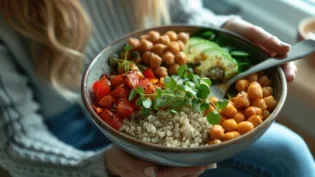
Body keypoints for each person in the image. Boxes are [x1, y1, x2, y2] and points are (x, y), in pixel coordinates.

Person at [0, 0, 313, 177]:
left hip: (155, 101)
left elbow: (179, 19)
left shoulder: (220, 109)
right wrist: (96, 169)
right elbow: (16, 145)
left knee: (290, 154)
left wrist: (223, 31)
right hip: (69, 144)